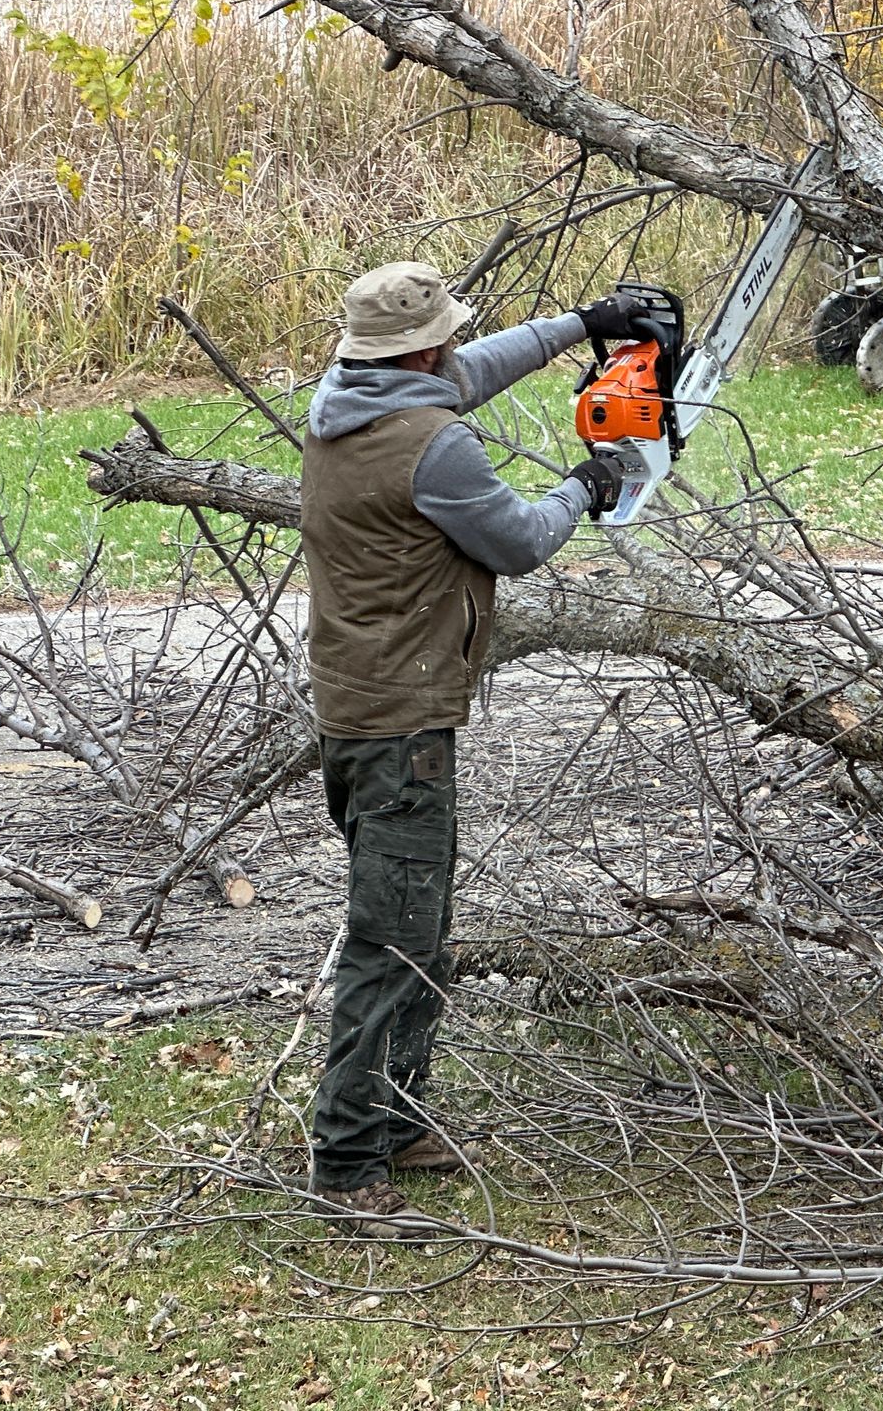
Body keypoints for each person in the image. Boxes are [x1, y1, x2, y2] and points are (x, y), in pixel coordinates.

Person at [300, 262, 639, 1237]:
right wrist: (583, 487)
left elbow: (469, 371)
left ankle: (397, 1119)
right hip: (399, 724)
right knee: (392, 941)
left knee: (421, 926)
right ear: (419, 349)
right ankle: (349, 1161)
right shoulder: (430, 446)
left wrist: (581, 321)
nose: (455, 347)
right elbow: (520, 540)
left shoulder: (346, 400)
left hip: (364, 706)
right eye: (444, 336)